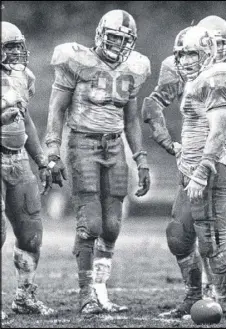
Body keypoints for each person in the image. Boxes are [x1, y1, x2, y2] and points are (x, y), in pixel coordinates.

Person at [142, 15, 226, 298]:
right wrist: (170, 144)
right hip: (192, 158)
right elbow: (152, 105)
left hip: (220, 157)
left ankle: (215, 296)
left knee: (214, 236)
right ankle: (194, 295)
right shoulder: (184, 68)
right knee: (179, 235)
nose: (216, 49)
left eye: (219, 43)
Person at [45, 10, 151, 315]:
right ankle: (85, 295)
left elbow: (131, 120)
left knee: (112, 226)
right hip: (82, 143)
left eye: (123, 38)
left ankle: (101, 292)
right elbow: (56, 110)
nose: (117, 43)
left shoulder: (134, 67)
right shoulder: (75, 61)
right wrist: (53, 152)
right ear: (100, 34)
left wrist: (140, 159)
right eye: (113, 36)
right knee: (90, 222)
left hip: (115, 146)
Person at [1, 21, 54, 320]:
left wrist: (42, 160)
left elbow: (27, 122)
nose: (17, 52)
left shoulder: (23, 77)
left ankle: (24, 296)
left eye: (19, 45)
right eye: (10, 46)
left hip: (18, 158)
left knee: (31, 232)